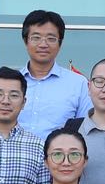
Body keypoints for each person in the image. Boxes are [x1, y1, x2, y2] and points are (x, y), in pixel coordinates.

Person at [17, 9, 89, 138]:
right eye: (36, 38)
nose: (43, 44)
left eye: (51, 38)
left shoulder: (79, 84)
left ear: (60, 43)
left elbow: (86, 129)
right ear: (25, 41)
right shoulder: (7, 82)